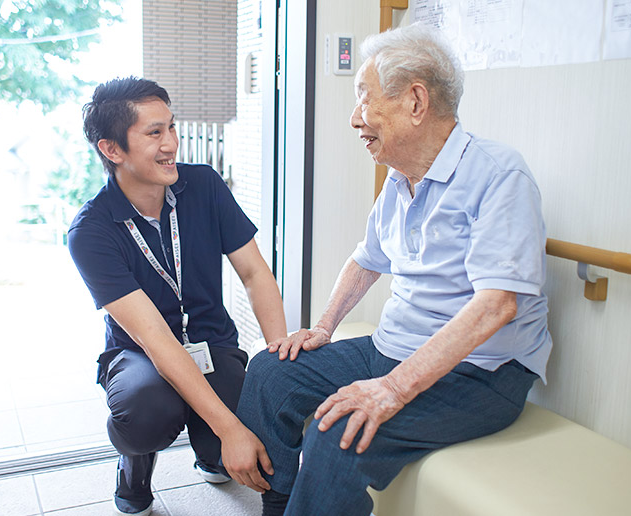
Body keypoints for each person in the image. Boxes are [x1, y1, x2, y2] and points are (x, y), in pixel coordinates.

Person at [236, 24, 553, 516]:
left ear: (415, 101)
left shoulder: (499, 176)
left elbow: (497, 305)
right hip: (392, 350)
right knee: (270, 372)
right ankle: (278, 506)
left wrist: (392, 389)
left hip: (480, 375)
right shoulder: (400, 179)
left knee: (340, 430)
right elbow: (366, 259)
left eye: (364, 99)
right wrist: (323, 327)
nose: (354, 118)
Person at [67, 76, 286, 516]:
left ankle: (210, 453)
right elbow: (157, 341)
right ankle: (134, 469)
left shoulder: (203, 186)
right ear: (112, 150)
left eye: (172, 127)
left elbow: (254, 272)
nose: (171, 144)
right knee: (147, 411)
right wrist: (230, 430)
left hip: (212, 345)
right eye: (154, 133)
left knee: (250, 426)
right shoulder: (90, 232)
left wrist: (278, 359)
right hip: (141, 356)